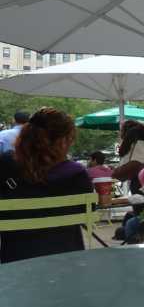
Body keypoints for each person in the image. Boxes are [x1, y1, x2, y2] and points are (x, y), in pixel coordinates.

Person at [0, 108, 93, 263]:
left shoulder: (4, 165)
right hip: (68, 260)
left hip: (15, 262)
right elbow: (88, 212)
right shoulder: (76, 174)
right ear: (64, 140)